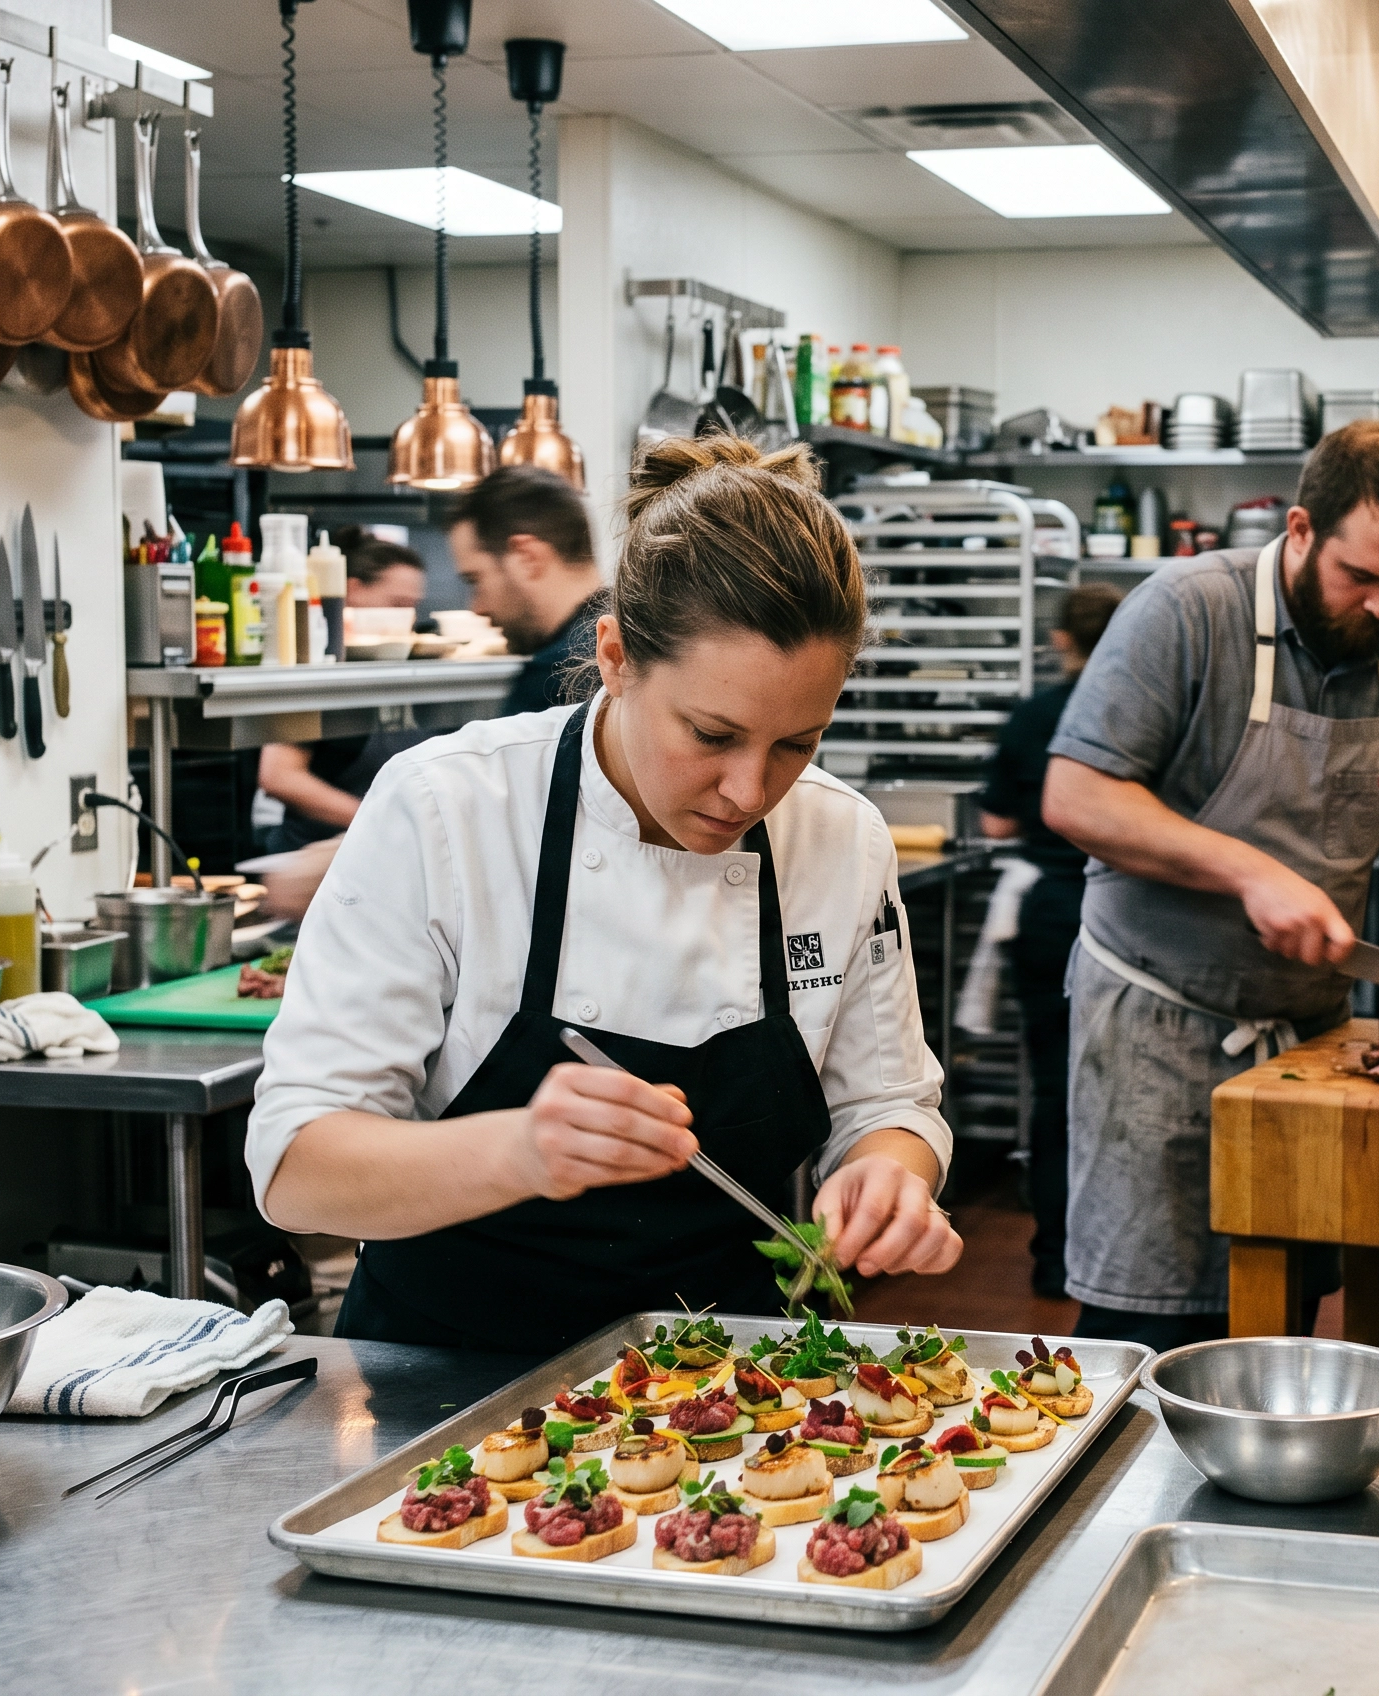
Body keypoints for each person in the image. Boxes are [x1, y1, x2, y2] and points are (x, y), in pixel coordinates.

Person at [248, 438, 964, 1355]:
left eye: (797, 743)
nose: (749, 791)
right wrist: (521, 1151)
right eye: (712, 734)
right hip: (448, 1385)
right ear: (617, 656)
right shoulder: (448, 806)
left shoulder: (840, 836)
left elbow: (890, 1105)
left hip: (740, 1385)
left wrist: (890, 1175)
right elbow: (298, 1166)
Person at [1040, 420, 1379, 1351]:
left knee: (1280, 1321)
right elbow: (1078, 793)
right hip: (1157, 1027)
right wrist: (1251, 871)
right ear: (1299, 530)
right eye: (1361, 578)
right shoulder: (1186, 612)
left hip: (1309, 1046)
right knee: (1150, 1322)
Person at [977, 583, 1125, 1301]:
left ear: (1063, 639)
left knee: (1057, 1089)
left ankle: (1053, 1258)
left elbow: (999, 823)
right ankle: (1117, 1260)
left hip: (1051, 914)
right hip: (1124, 917)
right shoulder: (1136, 708)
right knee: (1125, 1096)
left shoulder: (1038, 713)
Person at [255, 533, 433, 855]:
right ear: (353, 590)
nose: (407, 617)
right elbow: (279, 775)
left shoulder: (405, 667)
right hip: (312, 861)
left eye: (413, 607)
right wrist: (379, 818)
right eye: (397, 604)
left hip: (383, 853)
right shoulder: (319, 665)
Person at [449, 465, 608, 717]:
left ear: (527, 558)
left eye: (475, 580)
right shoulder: (638, 636)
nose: (477, 608)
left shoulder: (555, 677)